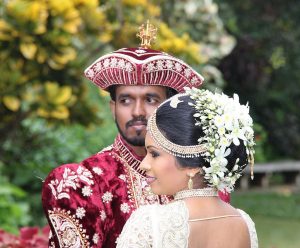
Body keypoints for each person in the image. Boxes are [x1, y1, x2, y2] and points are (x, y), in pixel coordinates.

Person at [41, 21, 212, 247]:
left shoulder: (198, 174)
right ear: (113, 108)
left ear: (170, 106)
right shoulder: (88, 183)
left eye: (150, 99)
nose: (138, 112)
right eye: (126, 100)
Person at [116, 87, 258, 248]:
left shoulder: (150, 223)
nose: (144, 164)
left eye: (154, 154)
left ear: (193, 166)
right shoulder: (243, 223)